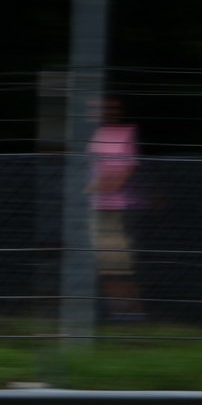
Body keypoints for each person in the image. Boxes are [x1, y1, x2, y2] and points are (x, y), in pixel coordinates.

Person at [87, 97, 145, 321]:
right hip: (90, 210)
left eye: (113, 107)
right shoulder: (89, 133)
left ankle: (130, 313)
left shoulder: (125, 133)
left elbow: (119, 177)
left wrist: (88, 188)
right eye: (104, 107)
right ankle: (115, 312)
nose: (108, 111)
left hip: (113, 211)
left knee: (116, 266)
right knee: (102, 266)